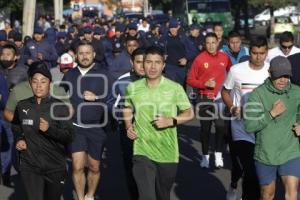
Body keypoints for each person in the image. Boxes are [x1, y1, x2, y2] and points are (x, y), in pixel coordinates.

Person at [123, 46, 194, 200]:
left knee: (163, 196)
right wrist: (128, 126)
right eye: (148, 62)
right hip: (142, 149)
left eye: (157, 62)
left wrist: (171, 120)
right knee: (146, 196)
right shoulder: (133, 88)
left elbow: (189, 113)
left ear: (163, 65)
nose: (153, 67)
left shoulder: (174, 88)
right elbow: (127, 108)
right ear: (143, 65)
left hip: (167, 152)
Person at [11, 61, 73, 200]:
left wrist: (49, 130)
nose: (39, 85)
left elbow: (69, 136)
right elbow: (16, 126)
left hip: (55, 167)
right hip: (30, 166)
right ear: (30, 84)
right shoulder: (22, 105)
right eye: (35, 81)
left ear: (50, 84)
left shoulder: (59, 107)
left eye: (43, 81)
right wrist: (20, 138)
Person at [244, 56, 300, 200]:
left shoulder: (296, 92)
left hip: (290, 151)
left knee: (292, 192)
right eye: (278, 76)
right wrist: (271, 113)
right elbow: (249, 126)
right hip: (266, 154)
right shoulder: (257, 94)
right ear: (270, 73)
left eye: (286, 76)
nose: (283, 80)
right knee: (268, 194)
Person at [62, 40, 112, 200]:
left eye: (87, 53)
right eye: (81, 53)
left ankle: (90, 195)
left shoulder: (104, 74)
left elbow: (113, 101)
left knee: (94, 167)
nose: (84, 56)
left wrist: (97, 98)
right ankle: (81, 198)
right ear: (76, 55)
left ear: (94, 55)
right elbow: (60, 98)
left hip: (97, 128)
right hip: (75, 127)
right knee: (77, 166)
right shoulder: (69, 74)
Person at [221, 36, 269, 200]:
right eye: (255, 53)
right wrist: (232, 107)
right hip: (241, 129)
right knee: (249, 171)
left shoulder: (271, 72)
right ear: (250, 52)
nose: (258, 57)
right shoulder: (237, 70)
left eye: (262, 53)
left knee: (259, 172)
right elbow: (225, 91)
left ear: (266, 52)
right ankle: (237, 187)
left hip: (264, 129)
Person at [187, 32, 232, 168]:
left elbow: (232, 73)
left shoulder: (225, 57)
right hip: (204, 98)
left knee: (220, 127)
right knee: (205, 130)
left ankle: (218, 154)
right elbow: (190, 79)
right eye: (208, 43)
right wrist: (204, 84)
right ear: (204, 44)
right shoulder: (199, 59)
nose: (211, 46)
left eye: (213, 42)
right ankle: (205, 156)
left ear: (218, 43)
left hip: (219, 99)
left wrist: (229, 88)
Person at [108, 48, 146, 200]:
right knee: (132, 171)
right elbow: (111, 104)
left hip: (154, 132)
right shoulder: (122, 81)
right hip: (129, 132)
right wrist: (125, 116)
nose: (142, 66)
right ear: (132, 63)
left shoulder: (158, 80)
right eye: (138, 62)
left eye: (145, 62)